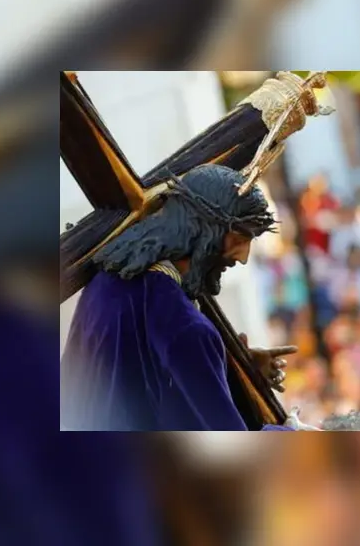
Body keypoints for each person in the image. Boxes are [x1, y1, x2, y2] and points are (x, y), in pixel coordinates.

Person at [60, 165, 304, 431]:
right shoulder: (187, 329)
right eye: (238, 238)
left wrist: (228, 369)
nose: (242, 256)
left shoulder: (108, 279)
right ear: (202, 228)